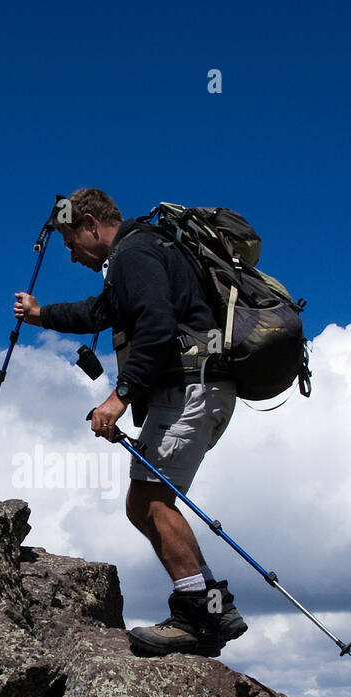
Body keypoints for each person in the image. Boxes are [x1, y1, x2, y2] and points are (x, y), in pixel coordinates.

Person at [13, 186, 248, 657]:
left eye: (69, 241)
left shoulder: (135, 253)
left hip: (187, 390)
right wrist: (41, 316)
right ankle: (210, 607)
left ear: (90, 225)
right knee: (149, 499)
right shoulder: (142, 253)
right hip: (203, 388)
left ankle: (198, 616)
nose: (71, 253)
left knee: (148, 500)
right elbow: (100, 312)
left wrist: (119, 398)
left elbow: (158, 328)